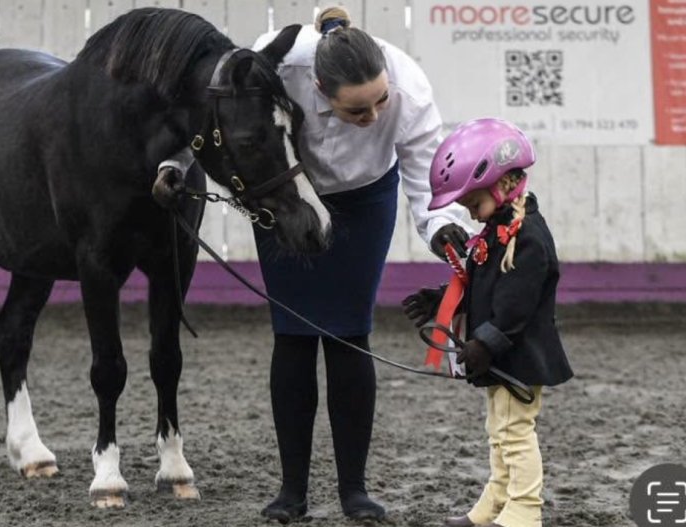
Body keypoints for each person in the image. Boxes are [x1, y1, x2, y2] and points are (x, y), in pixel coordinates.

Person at [156, 5, 471, 522]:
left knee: (350, 335)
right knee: (293, 337)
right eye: (357, 110)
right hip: (285, 200)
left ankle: (354, 490)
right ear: (321, 89)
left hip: (365, 201)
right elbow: (217, 121)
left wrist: (442, 227)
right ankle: (292, 492)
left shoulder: (409, 89)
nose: (374, 116)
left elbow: (425, 175)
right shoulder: (273, 63)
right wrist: (178, 161)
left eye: (380, 102)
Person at [402, 118, 574, 527]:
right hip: (501, 355)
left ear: (501, 185)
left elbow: (516, 305)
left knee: (515, 433)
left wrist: (485, 342)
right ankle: (495, 503)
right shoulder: (497, 231)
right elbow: (487, 286)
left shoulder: (527, 237)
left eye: (473, 203)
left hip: (518, 355)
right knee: (499, 432)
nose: (469, 213)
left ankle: (525, 510)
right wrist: (443, 299)